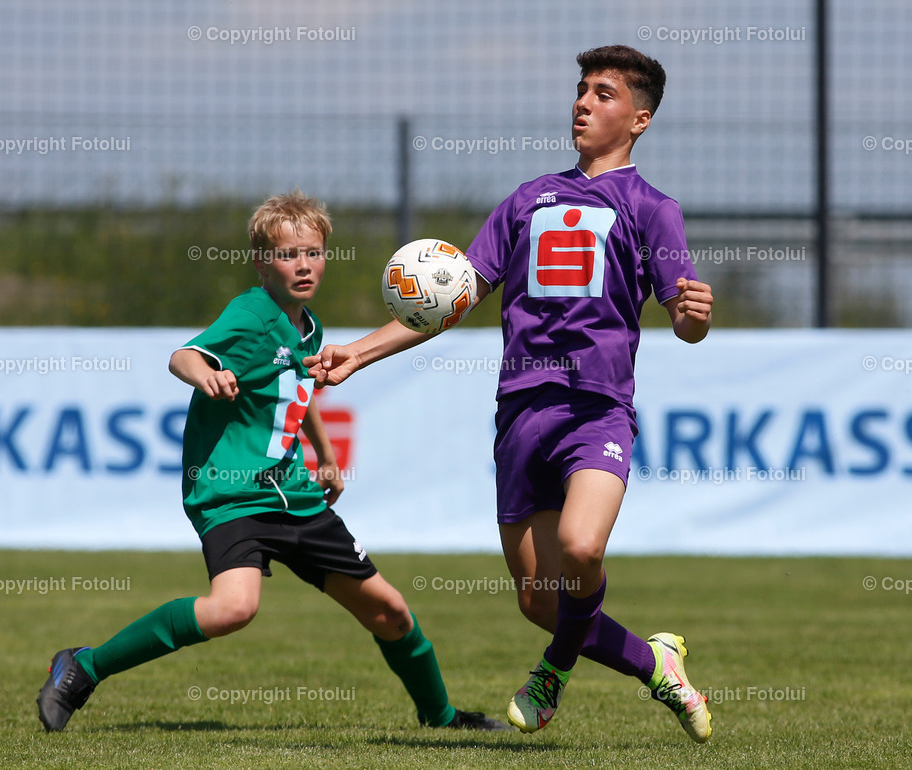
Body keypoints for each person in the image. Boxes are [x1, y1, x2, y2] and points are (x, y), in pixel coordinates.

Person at [304, 45, 714, 742]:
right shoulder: (528, 200)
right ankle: (656, 663)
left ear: (640, 119)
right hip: (521, 415)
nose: (583, 103)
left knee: (583, 552)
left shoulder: (653, 209)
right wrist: (358, 352)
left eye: (605, 94)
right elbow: (448, 301)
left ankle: (552, 672)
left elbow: (685, 318)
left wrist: (693, 317)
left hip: (595, 409)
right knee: (538, 599)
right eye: (581, 89)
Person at [36, 191, 508, 734]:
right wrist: (205, 375)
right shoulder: (251, 313)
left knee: (390, 612)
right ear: (263, 262)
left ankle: (443, 718)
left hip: (295, 494)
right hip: (233, 493)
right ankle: (83, 666)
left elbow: (294, 394)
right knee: (233, 608)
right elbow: (183, 355)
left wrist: (327, 457)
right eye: (288, 255)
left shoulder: (310, 326)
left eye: (313, 252)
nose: (303, 265)